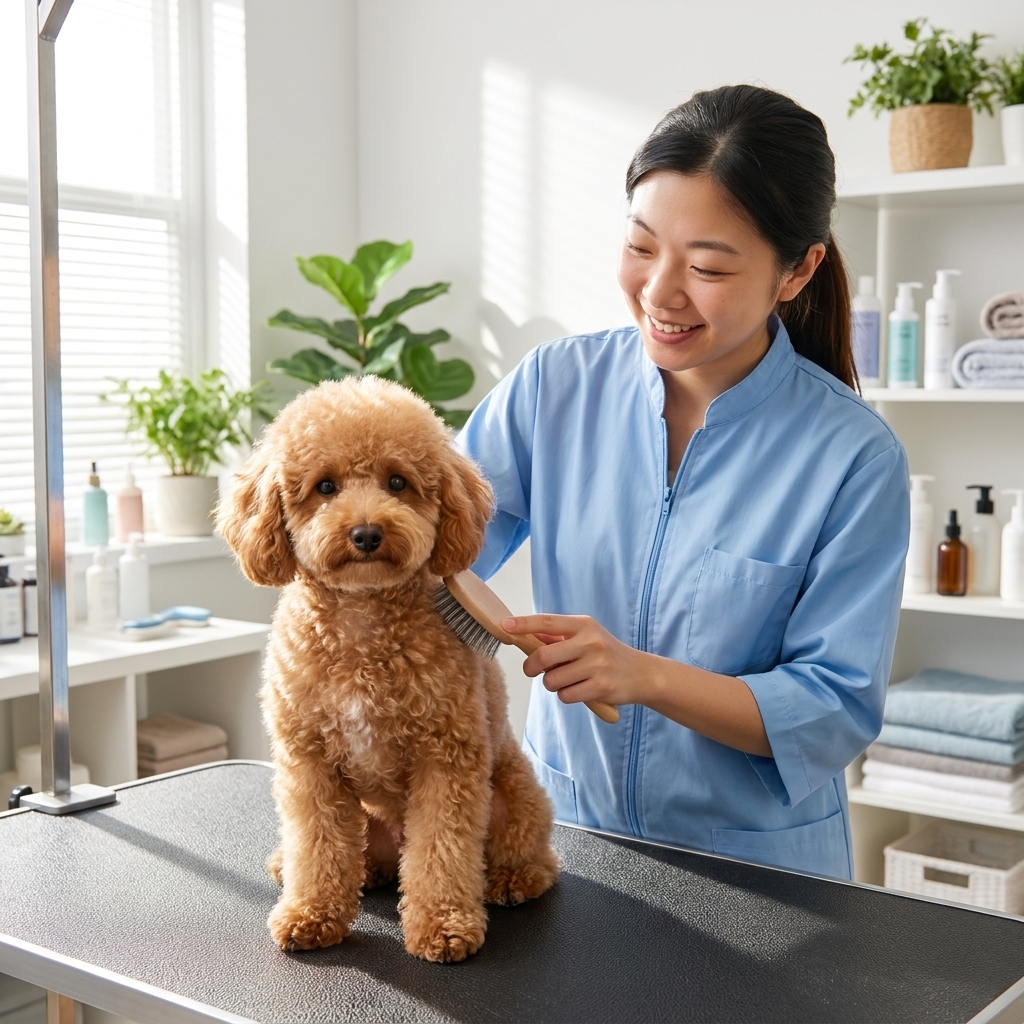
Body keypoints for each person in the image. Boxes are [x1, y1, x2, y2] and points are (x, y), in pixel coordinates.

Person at [457, 84, 910, 879]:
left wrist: (645, 676)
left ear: (797, 271)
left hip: (760, 873)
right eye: (640, 247)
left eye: (706, 266)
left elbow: (833, 705)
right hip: (570, 840)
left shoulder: (852, 456)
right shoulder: (552, 387)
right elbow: (441, 548)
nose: (660, 292)